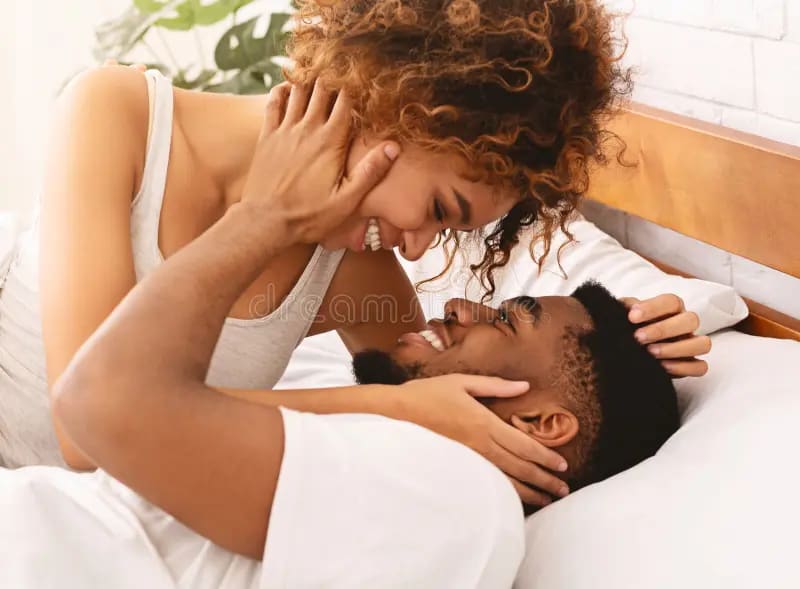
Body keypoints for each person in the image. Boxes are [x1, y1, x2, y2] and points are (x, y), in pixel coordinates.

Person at [0, 0, 709, 506]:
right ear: (395, 100)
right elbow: (86, 434)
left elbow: (464, 407)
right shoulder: (116, 114)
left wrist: (635, 342)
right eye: (439, 210)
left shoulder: (352, 270)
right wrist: (268, 220)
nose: (422, 244)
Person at [1, 275, 679, 588]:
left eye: (504, 320)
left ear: (541, 423)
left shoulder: (460, 496)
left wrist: (265, 216)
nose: (461, 304)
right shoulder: (423, 468)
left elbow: (100, 405)